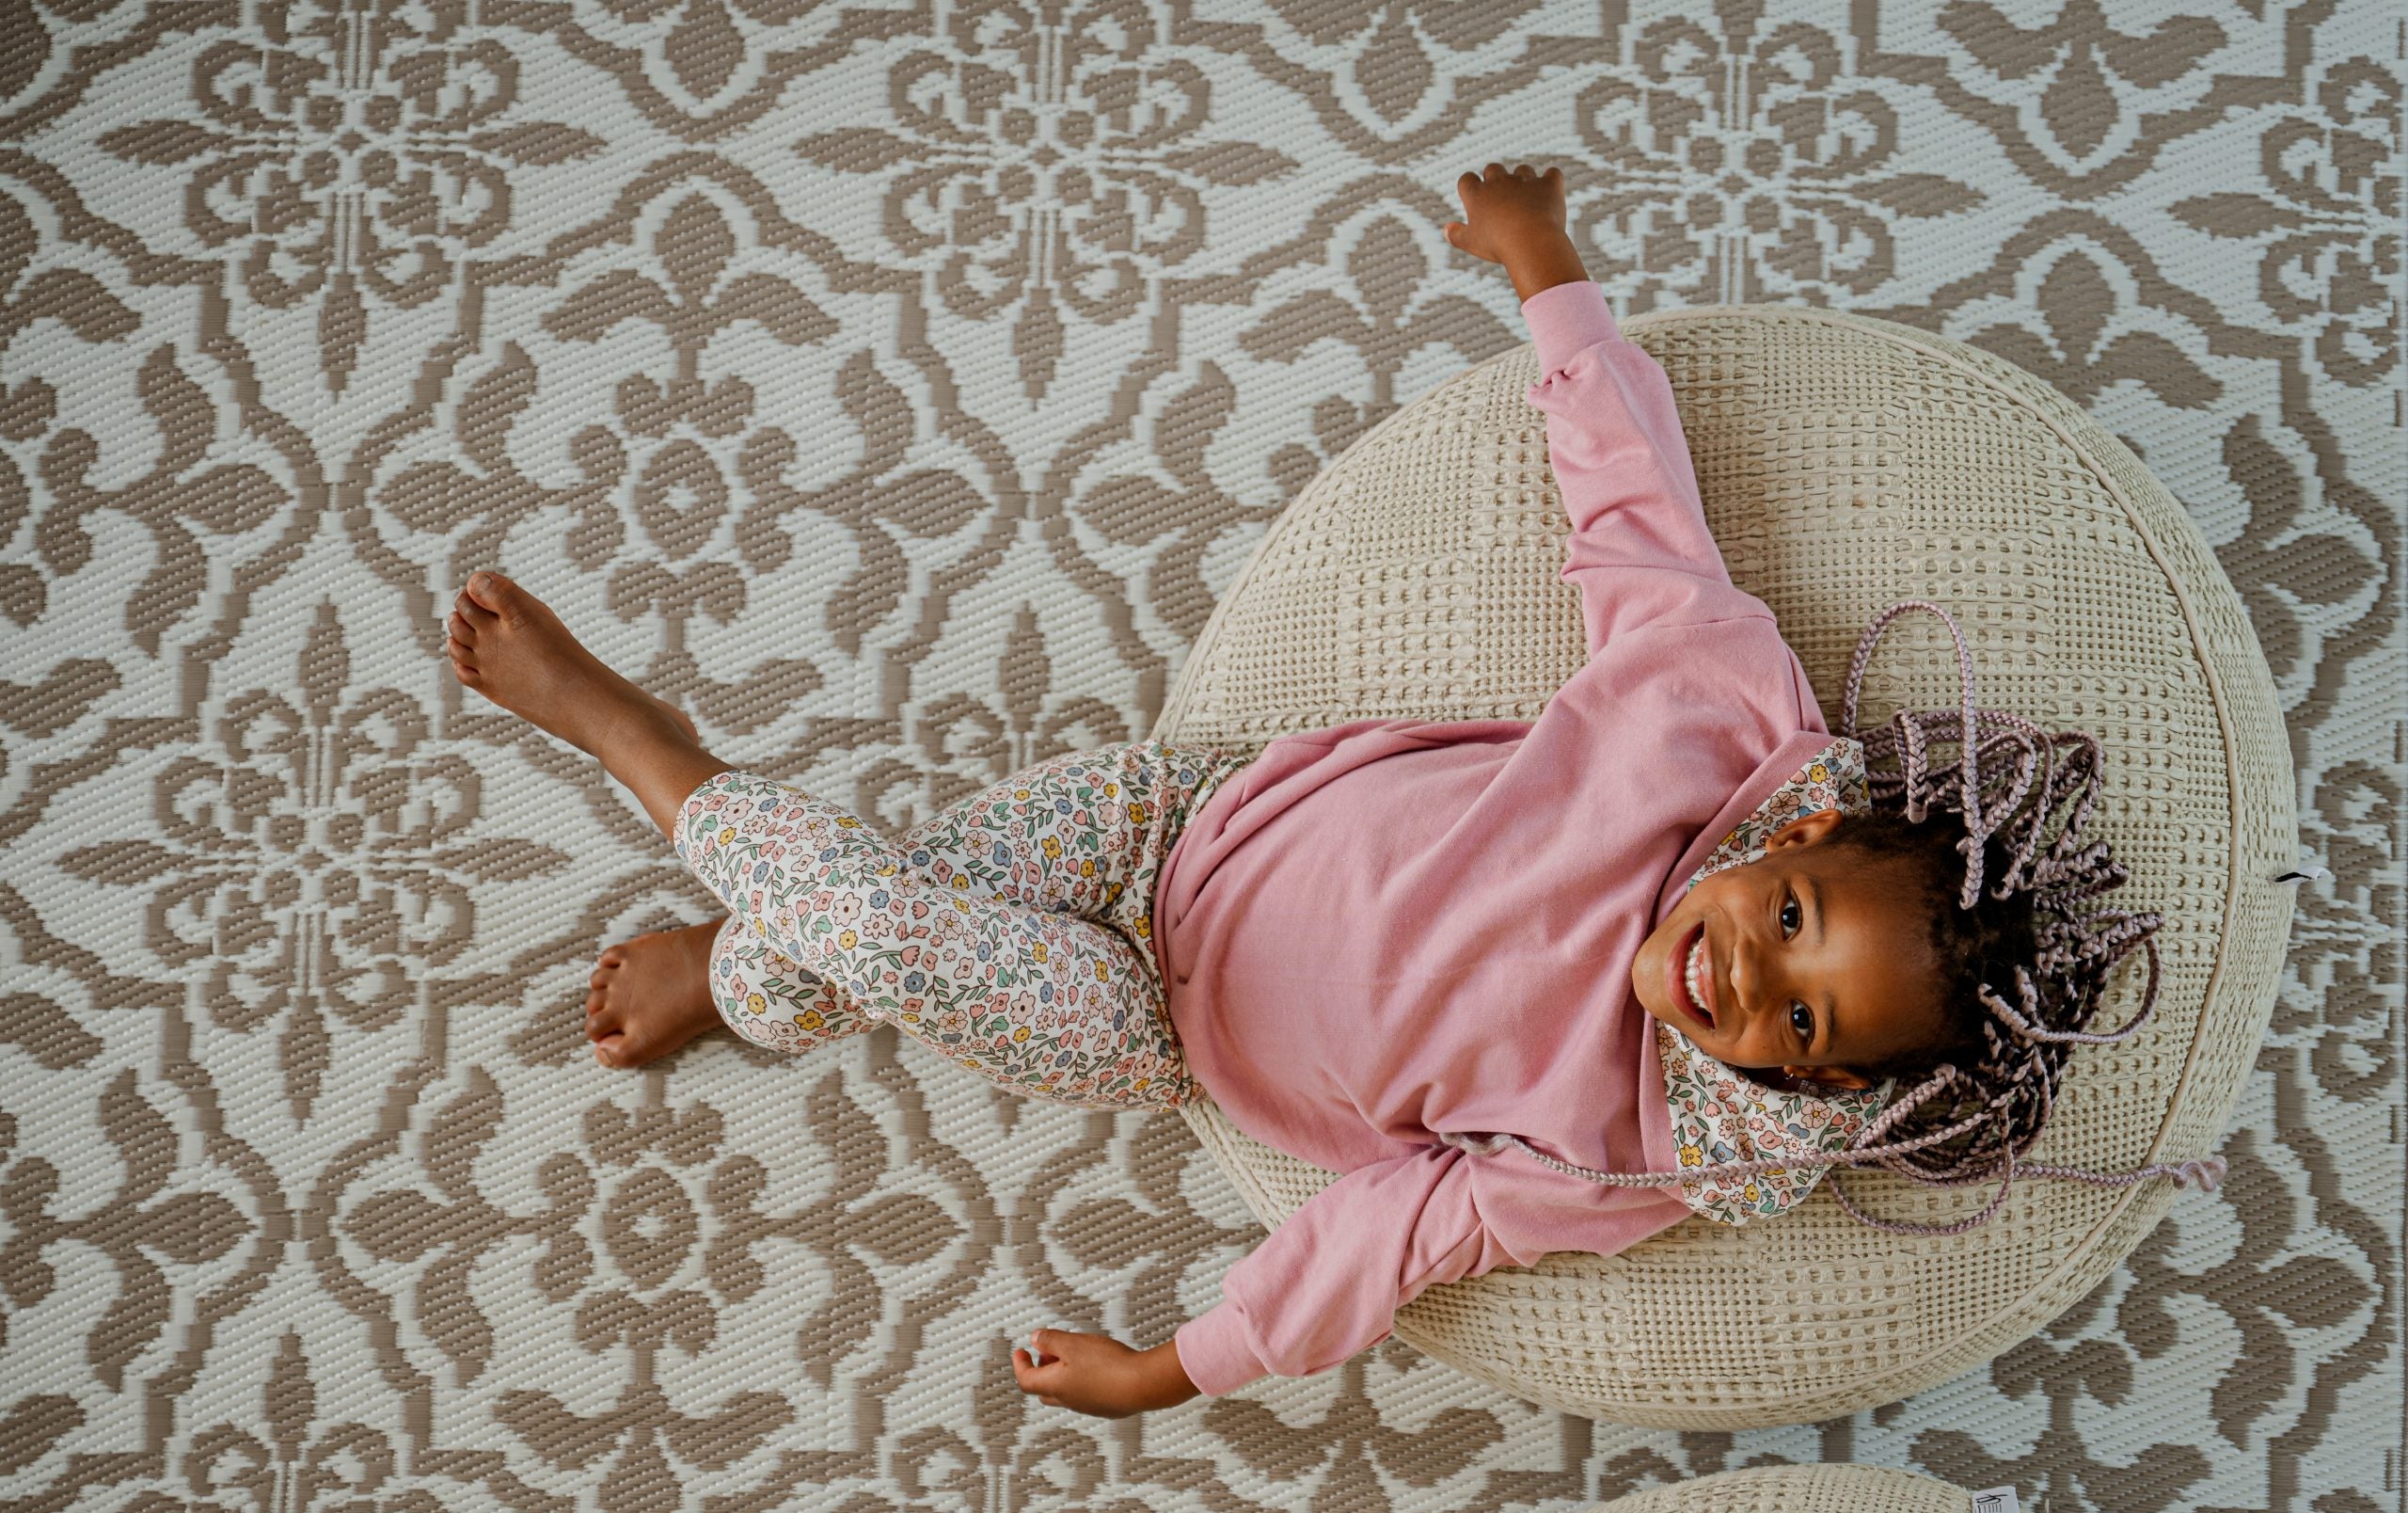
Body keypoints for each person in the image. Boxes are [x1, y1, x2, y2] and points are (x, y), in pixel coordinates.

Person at [439, 164, 2174, 1422]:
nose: (1747, 982)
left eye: (1796, 1030)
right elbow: (1638, 519)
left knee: (891, 929)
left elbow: (1400, 1236)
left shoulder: (1637, 1146)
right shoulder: (1713, 725)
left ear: (1804, 1086)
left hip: (1157, 1024)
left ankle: (644, 755)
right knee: (874, 919)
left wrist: (1180, 1365)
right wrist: (1551, 280)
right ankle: (735, 969)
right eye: (1790, 924)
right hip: (1181, 817)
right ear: (1797, 839)